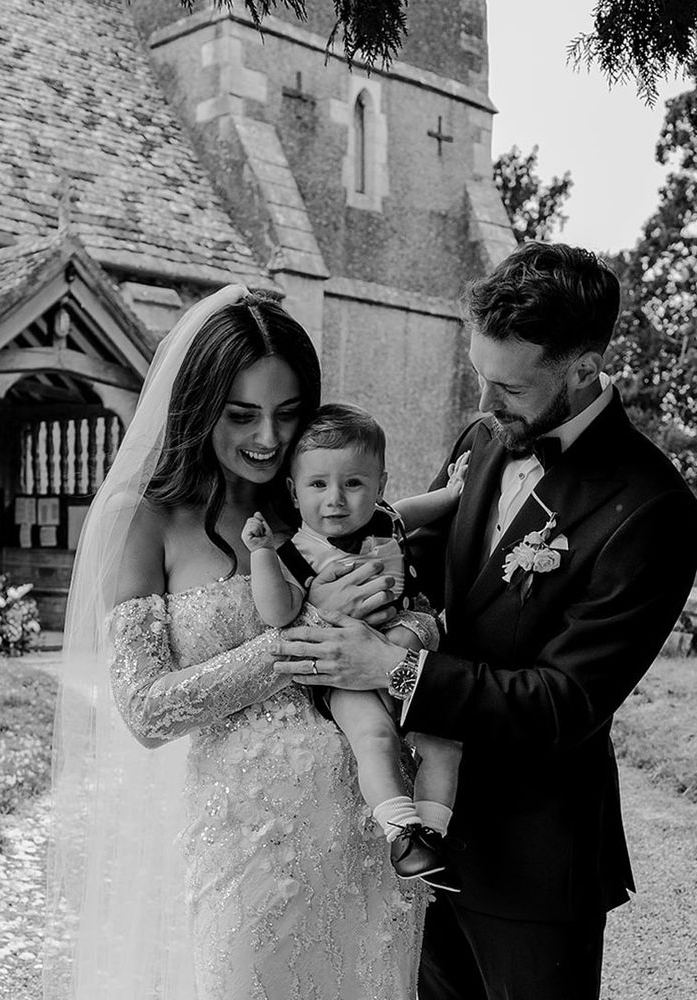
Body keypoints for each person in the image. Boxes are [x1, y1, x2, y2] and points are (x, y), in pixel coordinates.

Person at [273, 242, 697, 999]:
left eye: (508, 384)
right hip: (426, 840)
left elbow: (563, 703)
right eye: (480, 373)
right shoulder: (484, 439)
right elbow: (422, 562)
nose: (486, 399)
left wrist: (393, 670)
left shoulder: (652, 508)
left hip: (533, 863)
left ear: (583, 368)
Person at [43, 286, 426, 1000]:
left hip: (362, 826)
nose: (269, 439)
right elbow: (146, 711)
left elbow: (401, 555)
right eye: (242, 414)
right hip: (246, 842)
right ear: (199, 404)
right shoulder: (146, 519)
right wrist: (298, 637)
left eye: (289, 415)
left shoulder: (316, 499)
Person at [241, 402, 467, 888]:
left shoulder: (387, 520)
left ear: (380, 485)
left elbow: (417, 509)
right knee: (375, 739)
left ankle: (434, 835)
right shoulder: (296, 553)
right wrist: (260, 554)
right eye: (318, 485)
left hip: (405, 655)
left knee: (444, 741)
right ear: (293, 490)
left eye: (354, 484)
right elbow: (279, 613)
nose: (336, 500)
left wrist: (454, 493)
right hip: (342, 670)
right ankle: (401, 834)